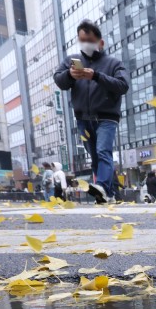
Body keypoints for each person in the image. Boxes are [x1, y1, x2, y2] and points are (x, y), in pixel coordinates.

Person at [54, 20, 129, 204]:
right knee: (95, 158)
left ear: (100, 42)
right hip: (83, 118)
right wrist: (70, 75)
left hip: (107, 117)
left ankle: (102, 186)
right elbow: (59, 80)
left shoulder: (114, 63)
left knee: (103, 151)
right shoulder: (71, 62)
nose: (86, 43)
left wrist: (96, 76)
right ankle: (108, 194)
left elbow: (122, 85)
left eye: (90, 39)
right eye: (82, 40)